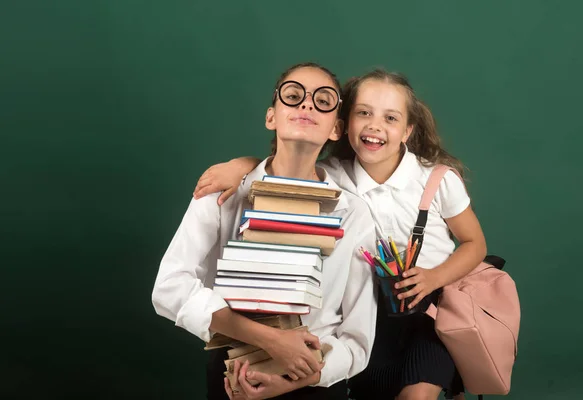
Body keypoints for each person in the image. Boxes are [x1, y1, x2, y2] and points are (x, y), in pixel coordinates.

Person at [192, 68, 487, 400]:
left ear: (407, 131)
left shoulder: (436, 179)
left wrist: (433, 277)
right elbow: (284, 162)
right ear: (343, 126)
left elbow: (475, 243)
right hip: (369, 312)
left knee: (416, 396)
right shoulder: (333, 177)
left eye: (390, 118)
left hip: (430, 314)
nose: (375, 125)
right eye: (364, 113)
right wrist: (241, 164)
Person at [152, 62, 378, 400]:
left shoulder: (354, 213)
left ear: (336, 128)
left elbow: (357, 337)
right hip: (235, 373)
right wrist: (268, 339)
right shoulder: (223, 192)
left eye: (323, 100)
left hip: (312, 375)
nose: (306, 105)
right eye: (293, 95)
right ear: (271, 116)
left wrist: (301, 375)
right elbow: (169, 287)